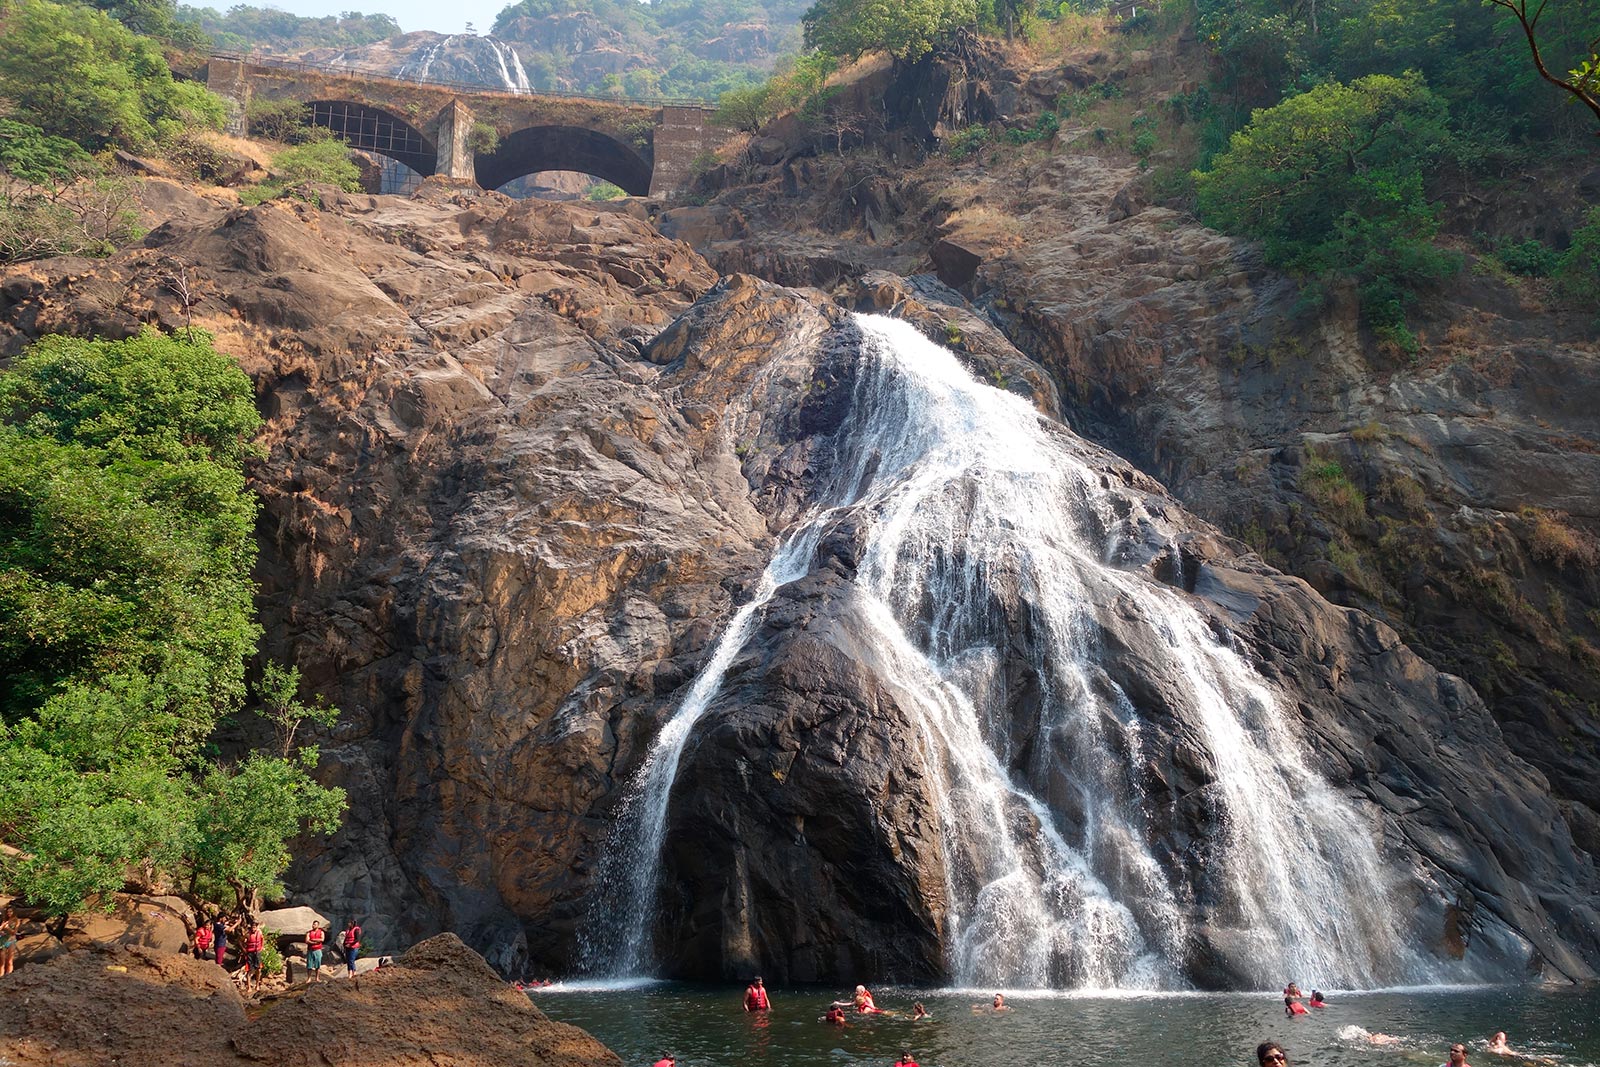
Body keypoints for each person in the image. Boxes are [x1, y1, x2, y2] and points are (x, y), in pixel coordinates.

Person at [242, 921, 266, 995]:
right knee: (249, 969)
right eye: (252, 927)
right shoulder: (247, 934)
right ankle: (249, 987)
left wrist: (262, 947)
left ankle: (257, 985)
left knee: (258, 968)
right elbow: (240, 941)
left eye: (254, 927)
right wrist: (243, 949)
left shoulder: (259, 933)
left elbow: (262, 939)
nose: (253, 929)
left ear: (256, 927)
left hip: (257, 952)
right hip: (250, 953)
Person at [0, 906, 19, 977]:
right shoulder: (5, 920)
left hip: (11, 941)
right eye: (8, 912)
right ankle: (1, 977)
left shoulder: (17, 920)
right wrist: (1, 931)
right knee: (2, 962)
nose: (9, 913)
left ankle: (9, 977)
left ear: (14, 912)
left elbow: (14, 932)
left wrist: (7, 928)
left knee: (9, 961)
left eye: (10, 911)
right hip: (3, 941)